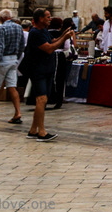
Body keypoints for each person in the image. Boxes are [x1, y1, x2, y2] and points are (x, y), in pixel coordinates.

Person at [24, 8, 74, 141]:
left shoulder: (43, 31)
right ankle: (42, 132)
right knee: (42, 99)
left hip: (46, 69)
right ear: (40, 19)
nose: (49, 19)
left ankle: (33, 130)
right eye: (47, 17)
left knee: (42, 100)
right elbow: (49, 48)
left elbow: (52, 41)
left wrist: (64, 35)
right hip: (38, 69)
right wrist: (65, 38)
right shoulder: (35, 33)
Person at [49, 16, 76, 109]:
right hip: (59, 56)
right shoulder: (62, 34)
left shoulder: (46, 33)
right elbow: (66, 47)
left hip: (48, 56)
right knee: (59, 78)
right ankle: (58, 99)